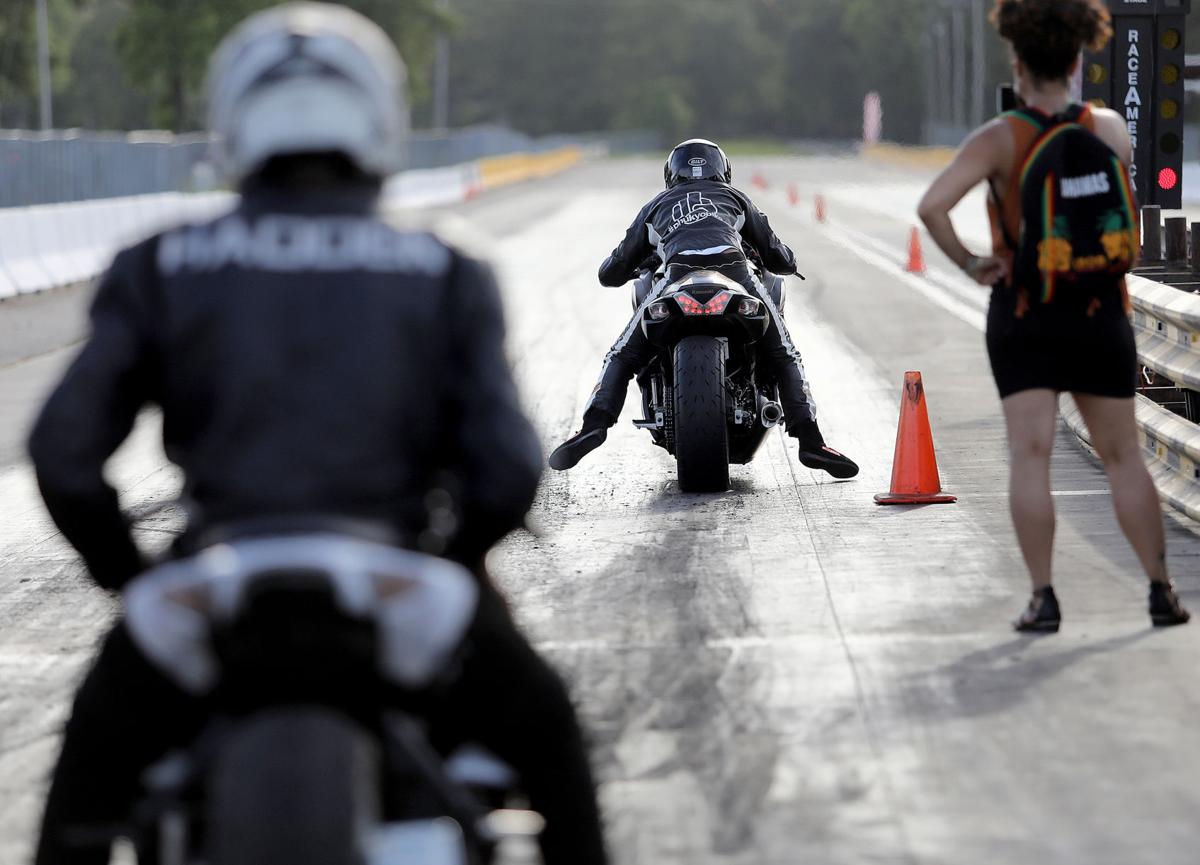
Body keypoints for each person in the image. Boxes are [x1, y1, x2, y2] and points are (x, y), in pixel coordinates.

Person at [28, 5, 608, 864]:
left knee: (84, 797)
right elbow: (508, 470)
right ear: (381, 120)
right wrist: (453, 564)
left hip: (212, 584)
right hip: (404, 579)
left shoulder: (160, 262)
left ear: (232, 121)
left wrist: (130, 579)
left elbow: (63, 453)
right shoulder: (447, 265)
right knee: (552, 742)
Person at [917, 0, 1189, 631]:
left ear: (1017, 60)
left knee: (1031, 455)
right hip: (1100, 314)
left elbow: (933, 206)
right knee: (1123, 456)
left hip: (1026, 314)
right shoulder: (1109, 130)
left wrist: (972, 264)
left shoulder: (999, 140)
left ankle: (1044, 599)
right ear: (1076, 60)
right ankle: (1159, 591)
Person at [549, 139, 859, 479]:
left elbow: (612, 270)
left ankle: (593, 426)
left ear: (671, 175)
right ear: (723, 171)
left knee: (622, 354)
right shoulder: (736, 199)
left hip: (676, 276)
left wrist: (634, 263)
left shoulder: (656, 207)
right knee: (784, 353)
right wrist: (788, 260)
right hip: (735, 272)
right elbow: (775, 254)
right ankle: (811, 440)